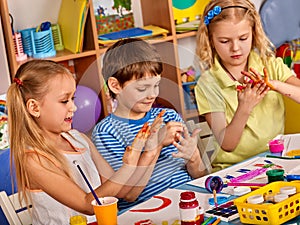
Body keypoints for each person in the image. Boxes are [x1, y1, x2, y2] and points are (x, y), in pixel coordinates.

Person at [6, 59, 165, 224]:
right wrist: (128, 166)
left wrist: (145, 152)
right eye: (64, 101)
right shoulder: (33, 158)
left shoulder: (79, 139)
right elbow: (88, 205)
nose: (73, 107)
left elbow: (121, 191)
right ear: (34, 108)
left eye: (73, 98)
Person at [92, 38, 206, 211]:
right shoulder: (106, 132)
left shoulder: (168, 116)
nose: (152, 94)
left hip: (191, 202)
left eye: (156, 85)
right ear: (115, 86)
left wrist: (194, 157)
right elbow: (129, 195)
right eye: (142, 88)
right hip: (149, 211)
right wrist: (156, 144)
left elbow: (199, 175)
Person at [194, 0, 300, 171]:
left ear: (254, 33)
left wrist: (275, 84)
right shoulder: (207, 84)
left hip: (276, 158)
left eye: (243, 38)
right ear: (211, 39)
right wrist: (245, 106)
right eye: (224, 41)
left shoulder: (270, 65)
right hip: (234, 169)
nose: (235, 48)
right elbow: (227, 144)